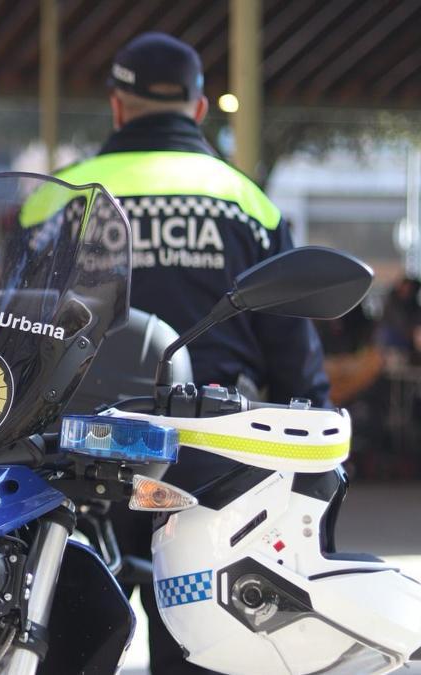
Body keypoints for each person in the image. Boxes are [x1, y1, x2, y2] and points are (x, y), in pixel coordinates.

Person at [54, 33, 332, 674]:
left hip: (75, 457)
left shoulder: (59, 196)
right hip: (211, 461)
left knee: (60, 640)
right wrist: (318, 454)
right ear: (200, 108)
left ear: (117, 105)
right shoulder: (247, 202)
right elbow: (291, 345)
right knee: (201, 650)